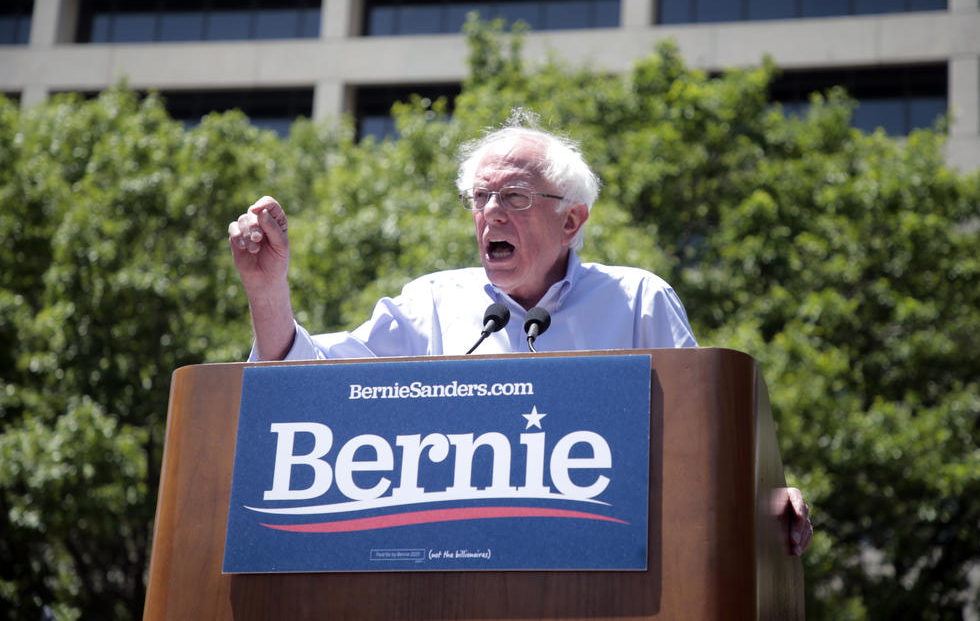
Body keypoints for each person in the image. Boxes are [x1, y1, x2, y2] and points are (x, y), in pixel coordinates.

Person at [228, 115, 813, 556]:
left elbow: (701, 439)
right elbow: (307, 386)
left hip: (607, 571)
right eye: (480, 198)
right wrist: (267, 290)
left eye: (514, 196)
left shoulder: (637, 301)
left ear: (572, 220)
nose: (491, 213)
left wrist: (762, 496)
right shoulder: (432, 303)